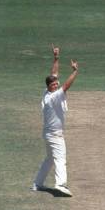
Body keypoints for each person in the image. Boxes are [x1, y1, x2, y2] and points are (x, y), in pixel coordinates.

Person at [32, 46, 79, 196]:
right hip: (55, 135)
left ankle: (37, 184)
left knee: (49, 159)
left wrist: (56, 58)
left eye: (55, 83)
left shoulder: (46, 93)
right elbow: (66, 86)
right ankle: (61, 184)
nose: (56, 85)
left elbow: (54, 74)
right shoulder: (53, 97)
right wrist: (75, 71)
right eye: (53, 85)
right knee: (60, 158)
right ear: (49, 87)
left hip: (48, 134)